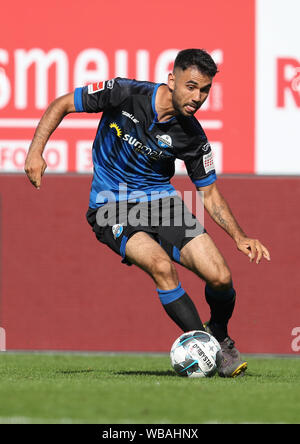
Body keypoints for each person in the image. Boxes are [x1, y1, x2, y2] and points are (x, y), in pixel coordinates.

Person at [25, 48, 270, 377]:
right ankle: (208, 351)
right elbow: (64, 103)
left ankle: (219, 336)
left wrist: (239, 236)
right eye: (191, 86)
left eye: (205, 90)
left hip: (162, 204)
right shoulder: (124, 93)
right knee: (161, 267)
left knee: (221, 277)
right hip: (111, 206)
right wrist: (36, 151)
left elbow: (208, 193)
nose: (198, 97)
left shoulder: (192, 136)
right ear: (172, 80)